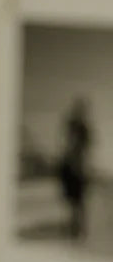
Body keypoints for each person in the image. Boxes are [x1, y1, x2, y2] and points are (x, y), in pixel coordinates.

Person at [57, 97, 94, 240]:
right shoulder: (73, 125)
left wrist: (83, 166)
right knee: (73, 200)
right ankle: (75, 227)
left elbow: (85, 149)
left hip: (78, 167)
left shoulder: (83, 128)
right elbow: (68, 143)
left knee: (78, 200)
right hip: (72, 166)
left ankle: (78, 229)